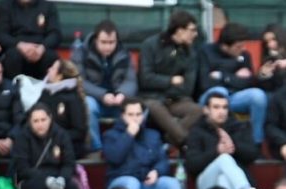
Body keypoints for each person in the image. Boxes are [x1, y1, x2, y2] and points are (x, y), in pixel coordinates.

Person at [184, 92, 266, 189]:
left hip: (233, 183)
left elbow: (253, 154)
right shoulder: (196, 131)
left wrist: (234, 147)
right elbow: (192, 165)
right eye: (216, 107)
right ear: (206, 110)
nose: (221, 111)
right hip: (205, 182)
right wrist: (217, 152)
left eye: (224, 107)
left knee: (224, 179)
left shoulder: (238, 127)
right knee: (224, 158)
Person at [11, 102, 82, 189]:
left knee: (73, 187)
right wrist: (46, 179)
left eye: (43, 120)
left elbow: (69, 163)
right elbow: (22, 169)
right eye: (35, 121)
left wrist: (62, 179)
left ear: (50, 119)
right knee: (37, 185)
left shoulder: (61, 135)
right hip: (31, 182)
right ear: (30, 122)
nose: (40, 124)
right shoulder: (22, 137)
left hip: (57, 181)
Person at [137, 10, 204, 148]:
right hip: (152, 98)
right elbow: (145, 79)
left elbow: (188, 87)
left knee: (197, 110)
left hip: (177, 100)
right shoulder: (150, 45)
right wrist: (171, 80)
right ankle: (183, 140)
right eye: (192, 30)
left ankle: (169, 141)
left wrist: (163, 84)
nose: (195, 34)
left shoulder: (190, 53)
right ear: (179, 30)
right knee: (153, 106)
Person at [103, 98, 182, 189]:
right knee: (132, 183)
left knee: (171, 183)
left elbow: (162, 160)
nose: (135, 118)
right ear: (122, 116)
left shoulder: (153, 135)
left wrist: (156, 171)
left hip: (147, 183)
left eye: (138, 114)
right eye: (130, 114)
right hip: (121, 183)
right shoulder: (110, 135)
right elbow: (115, 158)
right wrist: (128, 135)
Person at [73, 20, 137, 155]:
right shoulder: (81, 52)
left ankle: (126, 150)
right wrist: (102, 95)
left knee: (138, 109)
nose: (107, 47)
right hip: (95, 99)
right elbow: (80, 81)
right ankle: (97, 149)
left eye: (111, 42)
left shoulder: (125, 53)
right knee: (88, 106)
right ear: (96, 39)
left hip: (118, 101)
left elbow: (131, 81)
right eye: (103, 42)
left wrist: (122, 94)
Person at [199, 23, 268, 145]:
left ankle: (256, 141)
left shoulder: (244, 55)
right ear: (225, 46)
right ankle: (217, 140)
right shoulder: (205, 52)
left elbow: (249, 82)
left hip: (236, 97)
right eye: (238, 46)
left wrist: (222, 76)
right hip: (209, 98)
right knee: (220, 92)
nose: (243, 49)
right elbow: (205, 83)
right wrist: (235, 77)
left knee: (258, 96)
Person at [0, 0, 61, 80]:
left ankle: (45, 90)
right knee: (12, 56)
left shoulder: (48, 6)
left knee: (51, 57)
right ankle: (13, 89)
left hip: (41, 48)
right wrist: (19, 45)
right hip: (15, 47)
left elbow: (55, 34)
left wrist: (42, 48)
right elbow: (0, 34)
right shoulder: (5, 6)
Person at [39, 59, 89, 159]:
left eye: (53, 68)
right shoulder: (44, 93)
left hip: (67, 146)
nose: (48, 70)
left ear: (60, 76)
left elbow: (79, 131)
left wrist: (54, 137)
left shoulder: (72, 98)